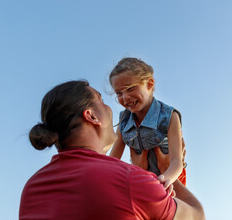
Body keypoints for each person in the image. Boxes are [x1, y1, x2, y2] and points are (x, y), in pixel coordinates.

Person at [19, 80, 205, 220]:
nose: (111, 107)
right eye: (101, 100)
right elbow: (197, 216)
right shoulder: (130, 181)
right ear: (91, 116)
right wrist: (164, 171)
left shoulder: (32, 188)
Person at [109, 57, 186, 189]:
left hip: (170, 180)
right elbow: (112, 162)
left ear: (149, 84)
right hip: (144, 181)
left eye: (130, 88)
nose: (125, 97)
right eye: (119, 93)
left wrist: (164, 179)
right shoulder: (124, 121)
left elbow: (176, 163)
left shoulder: (169, 116)